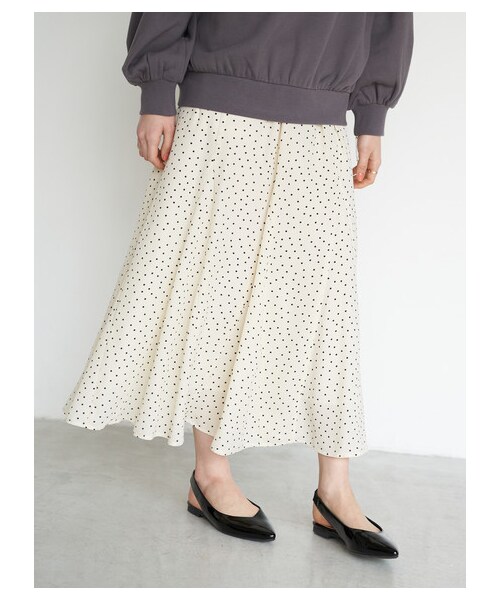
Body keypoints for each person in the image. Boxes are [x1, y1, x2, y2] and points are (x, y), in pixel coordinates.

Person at [63, 12, 413, 558]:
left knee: (325, 310)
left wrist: (372, 113)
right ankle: (211, 475)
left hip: (322, 120)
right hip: (219, 111)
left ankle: (335, 489)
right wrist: (157, 92)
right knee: (214, 299)